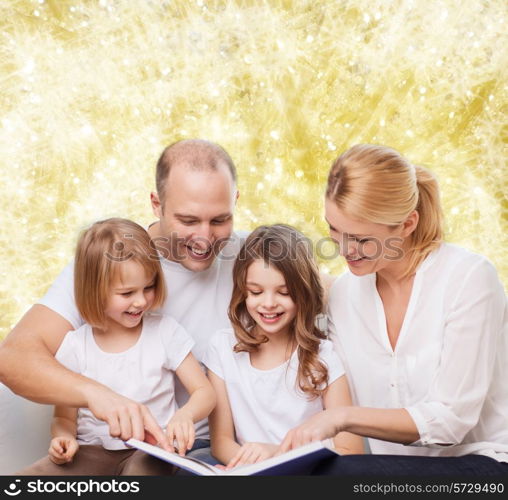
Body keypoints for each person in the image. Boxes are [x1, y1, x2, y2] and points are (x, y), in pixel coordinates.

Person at [0, 139, 245, 463]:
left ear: (235, 202)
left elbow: (318, 290)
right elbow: (13, 359)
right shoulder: (109, 263)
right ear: (156, 204)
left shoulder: (250, 258)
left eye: (219, 220)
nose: (204, 237)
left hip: (188, 452)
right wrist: (96, 395)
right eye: (187, 221)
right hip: (102, 449)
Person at [278, 144, 508, 476]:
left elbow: (450, 422)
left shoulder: (469, 279)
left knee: (340, 476)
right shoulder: (345, 293)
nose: (343, 249)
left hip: (483, 467)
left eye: (359, 238)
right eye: (334, 229)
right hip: (392, 473)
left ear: (406, 224)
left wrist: (341, 416)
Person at [17, 219, 216, 475]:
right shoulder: (76, 345)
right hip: (91, 451)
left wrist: (185, 415)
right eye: (127, 293)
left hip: (153, 451)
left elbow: (204, 392)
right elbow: (64, 417)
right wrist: (62, 438)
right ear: (95, 291)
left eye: (149, 287)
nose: (141, 301)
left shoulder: (165, 331)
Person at [204, 224, 364, 470]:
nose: (268, 304)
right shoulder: (223, 347)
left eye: (284, 292)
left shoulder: (324, 356)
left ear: (303, 293)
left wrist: (276, 455)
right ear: (243, 291)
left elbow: (350, 449)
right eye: (256, 292)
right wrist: (244, 468)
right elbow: (222, 442)